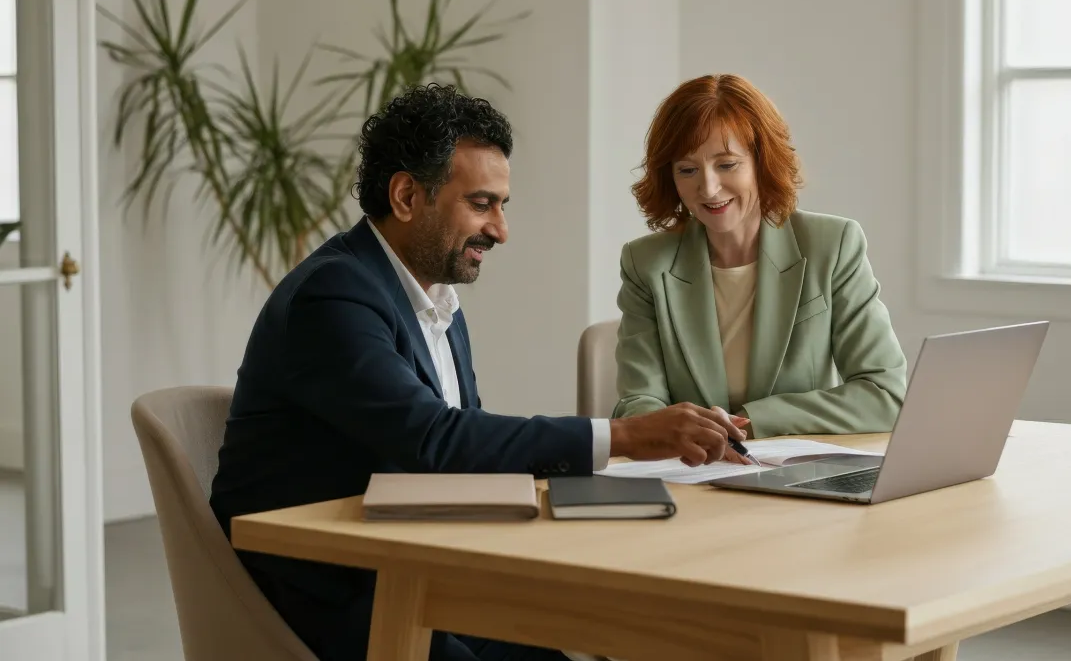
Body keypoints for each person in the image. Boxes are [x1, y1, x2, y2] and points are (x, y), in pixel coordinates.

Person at [208, 84, 747, 661]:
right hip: (331, 587)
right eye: (482, 203)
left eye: (502, 205)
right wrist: (625, 436)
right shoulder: (335, 294)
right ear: (407, 196)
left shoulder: (433, 299)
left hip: (411, 562)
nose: (500, 229)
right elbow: (434, 440)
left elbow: (465, 446)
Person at [612, 74, 906, 446]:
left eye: (727, 164)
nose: (708, 188)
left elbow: (885, 395)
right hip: (690, 469)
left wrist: (751, 423)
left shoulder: (831, 246)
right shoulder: (645, 263)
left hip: (801, 470)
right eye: (687, 170)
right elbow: (638, 405)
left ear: (761, 163)